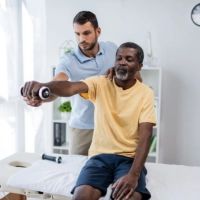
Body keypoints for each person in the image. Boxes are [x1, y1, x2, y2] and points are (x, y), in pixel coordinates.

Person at [21, 42, 156, 200]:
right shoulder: (100, 83)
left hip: (129, 159)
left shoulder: (145, 93)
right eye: (119, 58)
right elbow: (70, 87)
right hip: (99, 157)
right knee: (81, 195)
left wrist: (134, 175)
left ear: (139, 66)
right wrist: (43, 85)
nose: (122, 62)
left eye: (129, 59)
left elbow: (146, 136)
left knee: (130, 197)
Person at [23, 11, 142, 156]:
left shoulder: (112, 49)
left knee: (112, 172)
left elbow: (138, 80)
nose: (82, 39)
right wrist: (41, 93)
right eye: (77, 34)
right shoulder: (69, 60)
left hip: (112, 125)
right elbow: (58, 83)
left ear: (98, 31)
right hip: (83, 128)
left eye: (86, 33)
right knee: (75, 173)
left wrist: (120, 72)